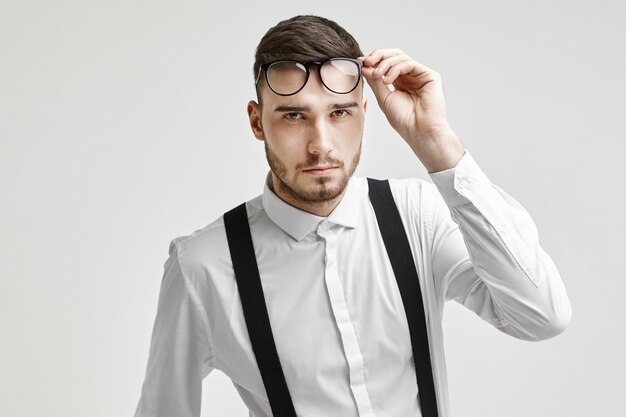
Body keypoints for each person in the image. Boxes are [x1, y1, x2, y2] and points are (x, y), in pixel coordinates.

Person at [132, 14, 572, 417]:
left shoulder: (416, 215)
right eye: (293, 116)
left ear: (364, 114)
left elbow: (540, 316)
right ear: (257, 122)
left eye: (338, 113)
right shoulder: (203, 266)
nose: (320, 143)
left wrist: (437, 144)